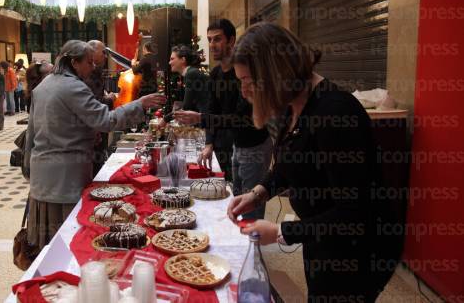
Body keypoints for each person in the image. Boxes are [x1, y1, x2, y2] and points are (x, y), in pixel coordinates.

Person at [227, 23, 402, 302]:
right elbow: (290, 165)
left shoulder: (335, 113)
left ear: (274, 73)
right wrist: (259, 192)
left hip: (357, 250)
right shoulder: (293, 106)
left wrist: (282, 231)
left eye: (248, 80)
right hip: (321, 237)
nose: (244, 91)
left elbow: (355, 212)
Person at [24, 40, 165, 250]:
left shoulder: (44, 84)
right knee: (69, 237)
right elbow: (106, 121)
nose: (93, 67)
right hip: (65, 177)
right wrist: (140, 103)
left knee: (48, 243)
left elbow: (33, 131)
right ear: (74, 62)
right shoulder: (74, 87)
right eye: (89, 62)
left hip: (42, 175)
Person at [175, 19, 269, 218]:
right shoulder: (216, 74)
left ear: (231, 40)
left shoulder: (243, 72)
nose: (212, 45)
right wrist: (209, 143)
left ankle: (254, 244)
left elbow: (241, 118)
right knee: (236, 200)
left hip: (255, 145)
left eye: (217, 39)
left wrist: (201, 118)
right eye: (209, 40)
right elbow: (213, 109)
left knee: (251, 209)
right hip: (237, 145)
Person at [86, 40, 117, 176]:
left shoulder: (96, 73)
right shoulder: (87, 76)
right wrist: (108, 99)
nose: (105, 56)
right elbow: (93, 105)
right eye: (103, 52)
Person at [168, 45, 209, 113]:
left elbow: (186, 106)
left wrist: (165, 120)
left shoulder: (191, 74)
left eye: (172, 59)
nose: (169, 62)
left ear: (183, 60)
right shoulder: (190, 72)